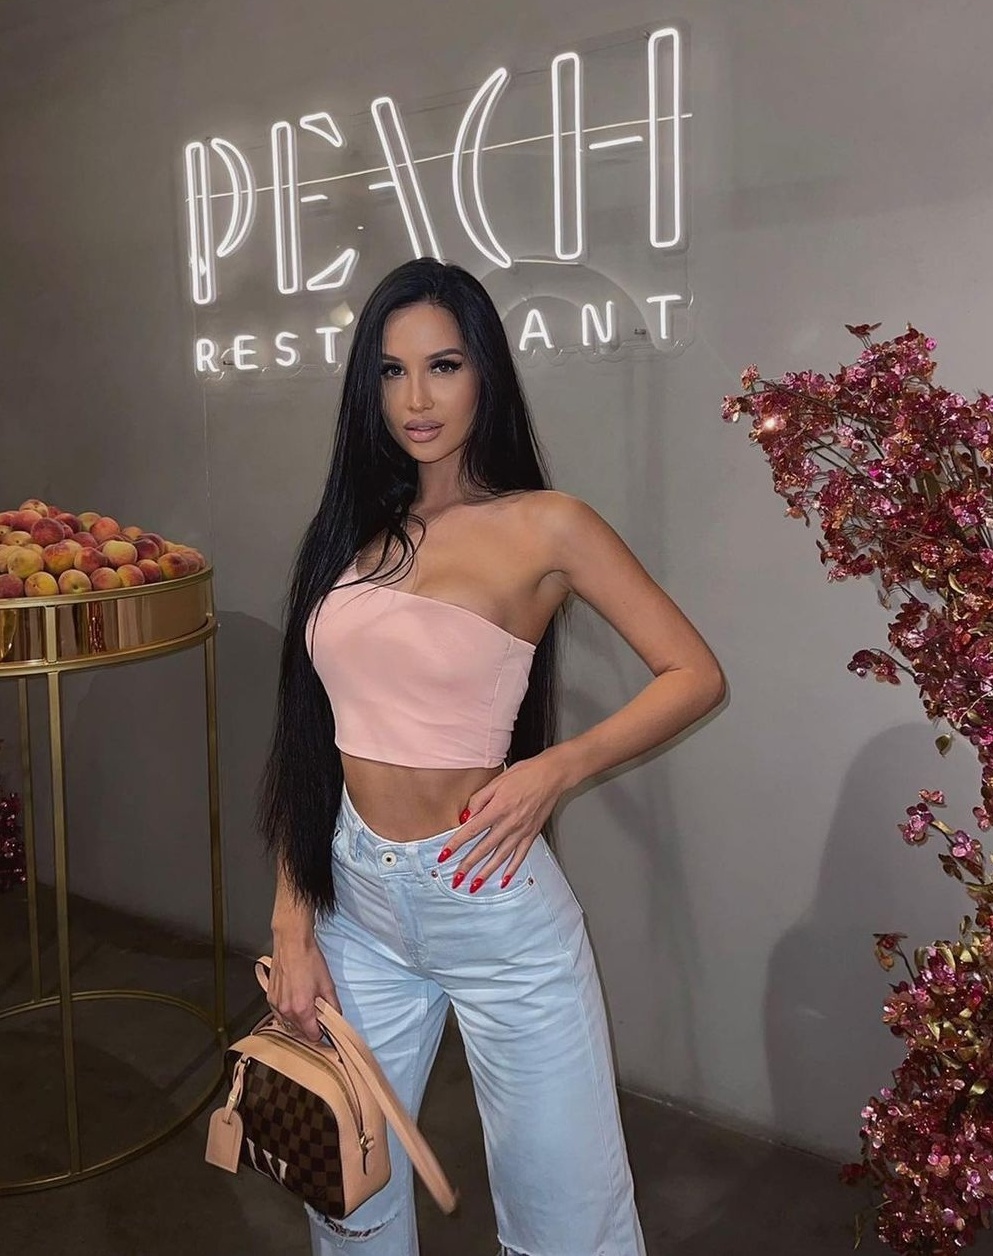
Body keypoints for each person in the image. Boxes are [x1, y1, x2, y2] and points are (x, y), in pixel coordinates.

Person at [259, 257, 726, 1256]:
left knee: (566, 1218)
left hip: (492, 903)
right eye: (391, 371)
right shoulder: (352, 529)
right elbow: (309, 743)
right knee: (341, 1190)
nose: (416, 399)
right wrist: (292, 921)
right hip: (354, 900)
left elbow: (693, 671)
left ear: (485, 372)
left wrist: (556, 767)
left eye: (443, 365)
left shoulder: (546, 525)